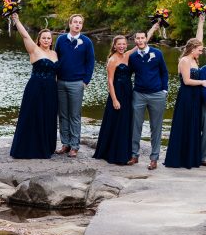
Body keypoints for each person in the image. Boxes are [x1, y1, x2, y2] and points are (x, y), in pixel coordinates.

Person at [9, 13, 59, 159]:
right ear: (39, 40)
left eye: (49, 38)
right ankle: (28, 148)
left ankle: (45, 147)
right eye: (43, 38)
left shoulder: (55, 54)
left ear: (51, 40)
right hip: (36, 88)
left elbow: (56, 73)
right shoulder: (34, 50)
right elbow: (25, 36)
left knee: (47, 116)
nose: (46, 40)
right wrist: (17, 20)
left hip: (51, 89)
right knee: (33, 115)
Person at [164, 17, 206, 169]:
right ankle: (180, 158)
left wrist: (201, 22)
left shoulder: (194, 59)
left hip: (195, 97)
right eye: (200, 50)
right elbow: (187, 81)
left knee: (193, 125)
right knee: (185, 125)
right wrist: (202, 82)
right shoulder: (184, 61)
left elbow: (198, 40)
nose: (201, 52)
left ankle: (191, 157)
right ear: (193, 49)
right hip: (187, 96)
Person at [127, 21, 168, 170]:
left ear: (146, 39)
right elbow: (128, 74)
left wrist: (164, 90)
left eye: (142, 38)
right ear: (135, 40)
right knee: (135, 125)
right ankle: (134, 155)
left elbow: (164, 72)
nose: (140, 41)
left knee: (156, 127)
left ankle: (154, 158)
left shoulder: (157, 53)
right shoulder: (133, 57)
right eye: (137, 39)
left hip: (157, 94)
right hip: (139, 94)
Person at [54, 14, 95, 158]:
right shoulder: (61, 40)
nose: (77, 25)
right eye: (75, 22)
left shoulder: (86, 42)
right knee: (63, 114)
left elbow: (90, 63)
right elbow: (55, 59)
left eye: (80, 23)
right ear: (70, 24)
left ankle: (75, 146)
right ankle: (65, 144)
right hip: (61, 82)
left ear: (82, 26)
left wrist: (85, 81)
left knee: (75, 115)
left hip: (77, 83)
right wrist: (55, 77)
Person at [93, 36, 133, 165]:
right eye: (119, 44)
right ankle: (113, 153)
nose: (121, 46)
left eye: (124, 44)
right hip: (117, 93)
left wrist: (154, 28)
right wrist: (114, 100)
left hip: (128, 93)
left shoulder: (127, 55)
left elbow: (141, 44)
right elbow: (109, 82)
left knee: (125, 122)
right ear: (114, 46)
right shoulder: (112, 60)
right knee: (116, 122)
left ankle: (124, 152)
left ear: (126, 45)